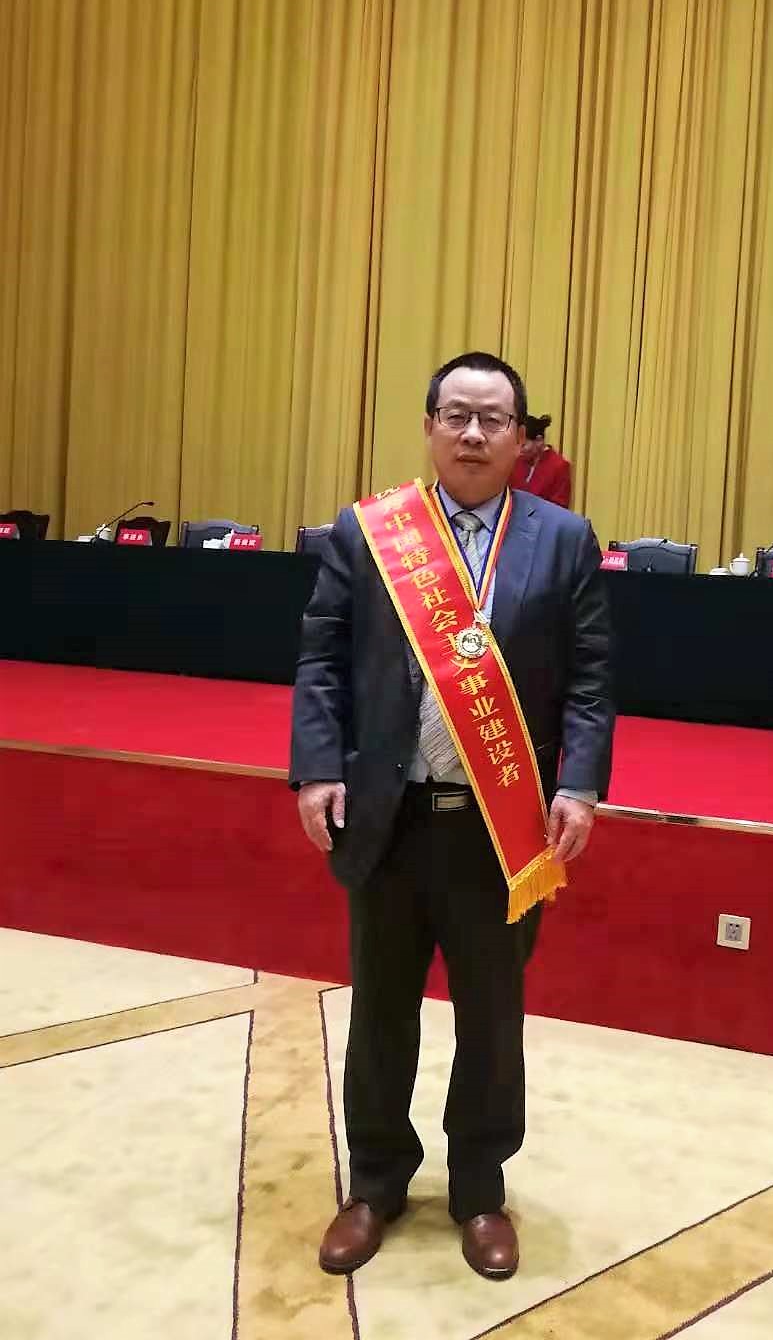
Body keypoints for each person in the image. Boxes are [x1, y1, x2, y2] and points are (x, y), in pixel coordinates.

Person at [290, 351, 614, 1281]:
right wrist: (317, 769)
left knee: (492, 1018)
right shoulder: (370, 533)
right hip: (388, 818)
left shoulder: (563, 539)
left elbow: (591, 679)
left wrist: (579, 784)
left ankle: (480, 1190)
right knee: (380, 1011)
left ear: (521, 438)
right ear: (430, 426)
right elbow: (321, 660)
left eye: (493, 420)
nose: (473, 434)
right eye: (457, 415)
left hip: (500, 828)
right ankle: (375, 1184)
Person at [510, 413, 572, 508]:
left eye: (523, 445)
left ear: (539, 441)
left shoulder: (559, 466)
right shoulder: (516, 460)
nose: (519, 450)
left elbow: (559, 507)